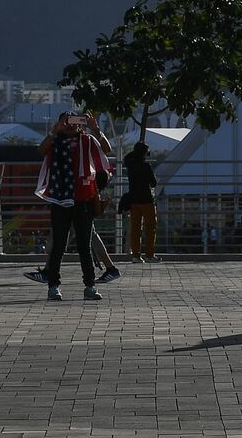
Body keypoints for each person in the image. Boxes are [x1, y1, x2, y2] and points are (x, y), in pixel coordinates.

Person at [25, 112, 114, 301]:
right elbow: (41, 150)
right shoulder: (56, 141)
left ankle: (90, 285)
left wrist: (95, 128)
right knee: (59, 244)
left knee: (84, 245)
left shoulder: (88, 140)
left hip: (84, 198)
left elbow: (107, 148)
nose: (72, 125)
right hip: (60, 198)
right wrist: (56, 130)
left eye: (76, 121)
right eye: (67, 121)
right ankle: (53, 285)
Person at [125, 141, 160, 263]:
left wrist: (135, 151)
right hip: (146, 200)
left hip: (134, 201)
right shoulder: (146, 166)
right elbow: (153, 183)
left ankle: (135, 255)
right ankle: (149, 255)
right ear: (144, 154)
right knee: (150, 228)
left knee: (135, 229)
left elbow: (126, 157)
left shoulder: (130, 165)